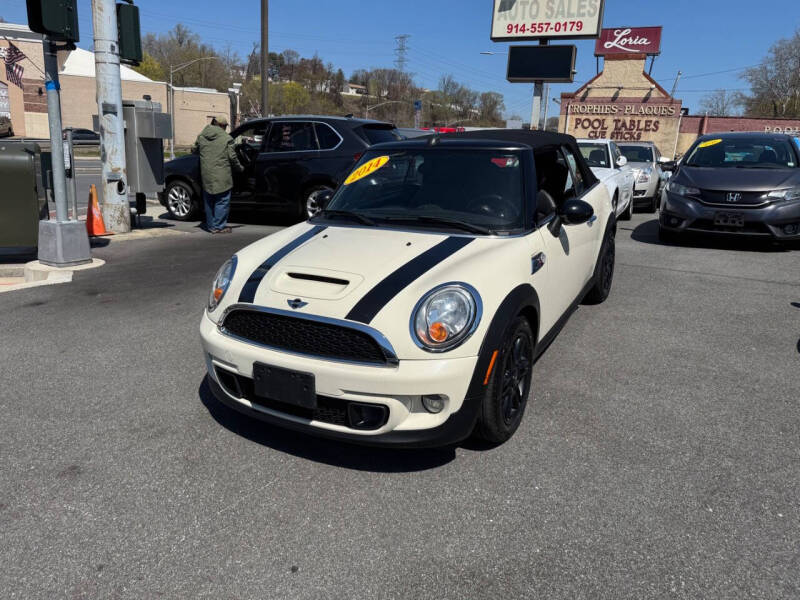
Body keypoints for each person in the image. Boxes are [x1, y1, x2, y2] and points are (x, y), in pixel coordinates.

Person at [192, 115, 244, 233]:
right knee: (222, 201)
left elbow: (195, 150)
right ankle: (219, 226)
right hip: (222, 175)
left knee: (209, 201)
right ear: (221, 125)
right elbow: (232, 157)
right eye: (225, 126)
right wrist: (240, 168)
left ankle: (211, 226)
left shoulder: (201, 136)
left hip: (206, 175)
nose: (225, 128)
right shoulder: (227, 138)